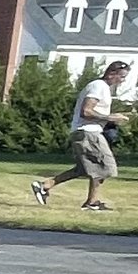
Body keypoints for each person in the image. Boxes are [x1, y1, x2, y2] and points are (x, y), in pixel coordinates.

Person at [33, 60, 130, 211]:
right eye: (122, 77)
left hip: (86, 132)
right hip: (88, 132)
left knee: (84, 169)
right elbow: (86, 111)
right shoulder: (98, 86)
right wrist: (110, 118)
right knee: (105, 167)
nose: (123, 81)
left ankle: (45, 186)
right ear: (112, 74)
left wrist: (111, 118)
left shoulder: (102, 87)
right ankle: (92, 203)